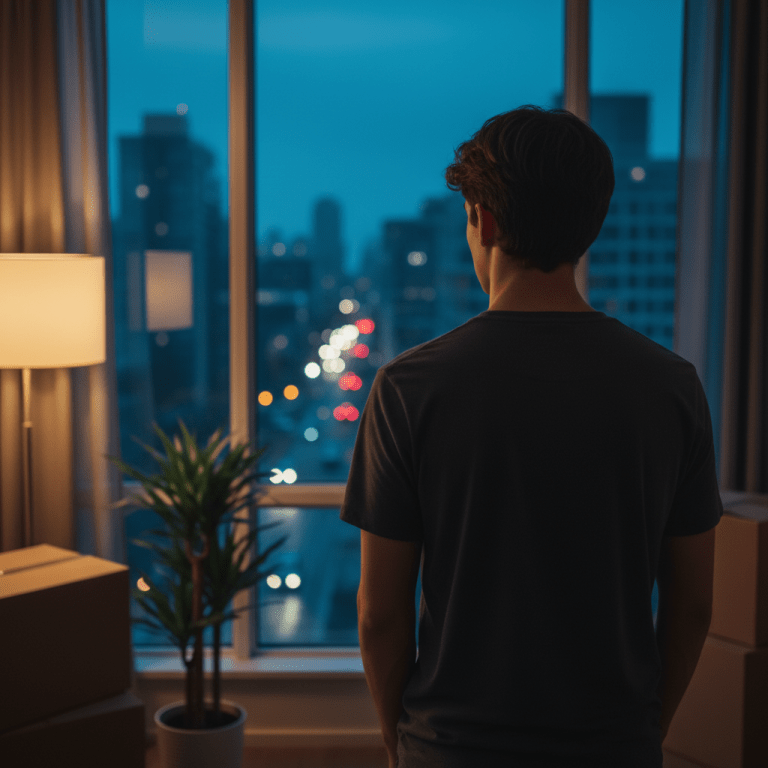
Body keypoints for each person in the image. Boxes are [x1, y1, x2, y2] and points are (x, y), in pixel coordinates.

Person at [339, 105, 722, 768]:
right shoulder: (672, 387)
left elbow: (380, 614)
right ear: (590, 226)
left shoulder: (409, 388)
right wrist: (644, 732)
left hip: (451, 749)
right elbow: (691, 606)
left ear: (482, 220)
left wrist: (402, 744)